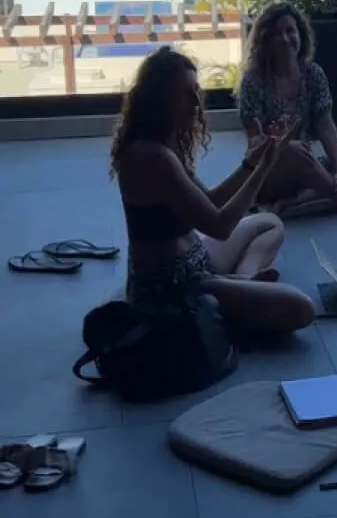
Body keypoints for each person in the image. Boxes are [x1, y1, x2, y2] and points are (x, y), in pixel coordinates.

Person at [111, 47, 316, 334]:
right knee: (302, 308)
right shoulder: (152, 157)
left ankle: (243, 280)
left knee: (269, 223)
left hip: (196, 260)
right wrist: (264, 169)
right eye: (185, 94)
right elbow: (220, 226)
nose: (196, 102)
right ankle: (234, 297)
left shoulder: (166, 145)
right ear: (158, 101)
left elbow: (210, 201)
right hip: (175, 287)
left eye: (197, 90)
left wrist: (252, 160)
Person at [238, 1, 337, 217]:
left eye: (290, 31)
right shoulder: (254, 81)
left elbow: (326, 125)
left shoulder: (313, 74)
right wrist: (279, 144)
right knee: (293, 149)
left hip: (308, 165)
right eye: (276, 34)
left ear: (300, 34)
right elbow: (253, 142)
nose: (285, 39)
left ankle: (296, 203)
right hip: (269, 172)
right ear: (265, 41)